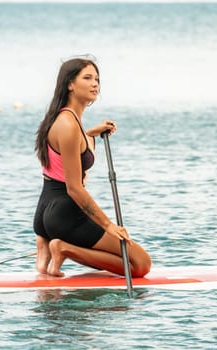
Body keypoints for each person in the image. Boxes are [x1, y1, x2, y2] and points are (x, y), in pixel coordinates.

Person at [33, 57, 152, 278]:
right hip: (66, 215)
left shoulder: (60, 119)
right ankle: (64, 249)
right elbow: (75, 189)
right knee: (140, 264)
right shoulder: (68, 126)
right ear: (70, 83)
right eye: (87, 78)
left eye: (97, 78)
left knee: (133, 260)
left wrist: (91, 133)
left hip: (45, 211)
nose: (95, 83)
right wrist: (109, 226)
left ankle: (46, 251)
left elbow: (69, 151)